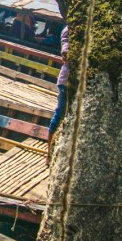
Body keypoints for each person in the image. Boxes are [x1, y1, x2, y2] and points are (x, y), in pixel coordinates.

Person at [47, 26, 69, 162]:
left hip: (80, 82)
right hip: (66, 80)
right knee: (60, 112)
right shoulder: (69, 30)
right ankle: (48, 152)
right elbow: (65, 52)